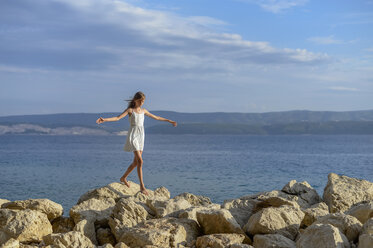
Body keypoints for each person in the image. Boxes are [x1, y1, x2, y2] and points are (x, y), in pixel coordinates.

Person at [96, 91, 177, 195]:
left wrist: (169, 121)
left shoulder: (144, 111)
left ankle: (123, 177)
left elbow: (156, 117)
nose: (142, 103)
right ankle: (142, 187)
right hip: (133, 135)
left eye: (143, 101)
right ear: (136, 100)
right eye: (141, 101)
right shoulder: (130, 110)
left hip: (141, 136)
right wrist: (105, 119)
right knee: (140, 161)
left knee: (136, 162)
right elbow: (117, 118)